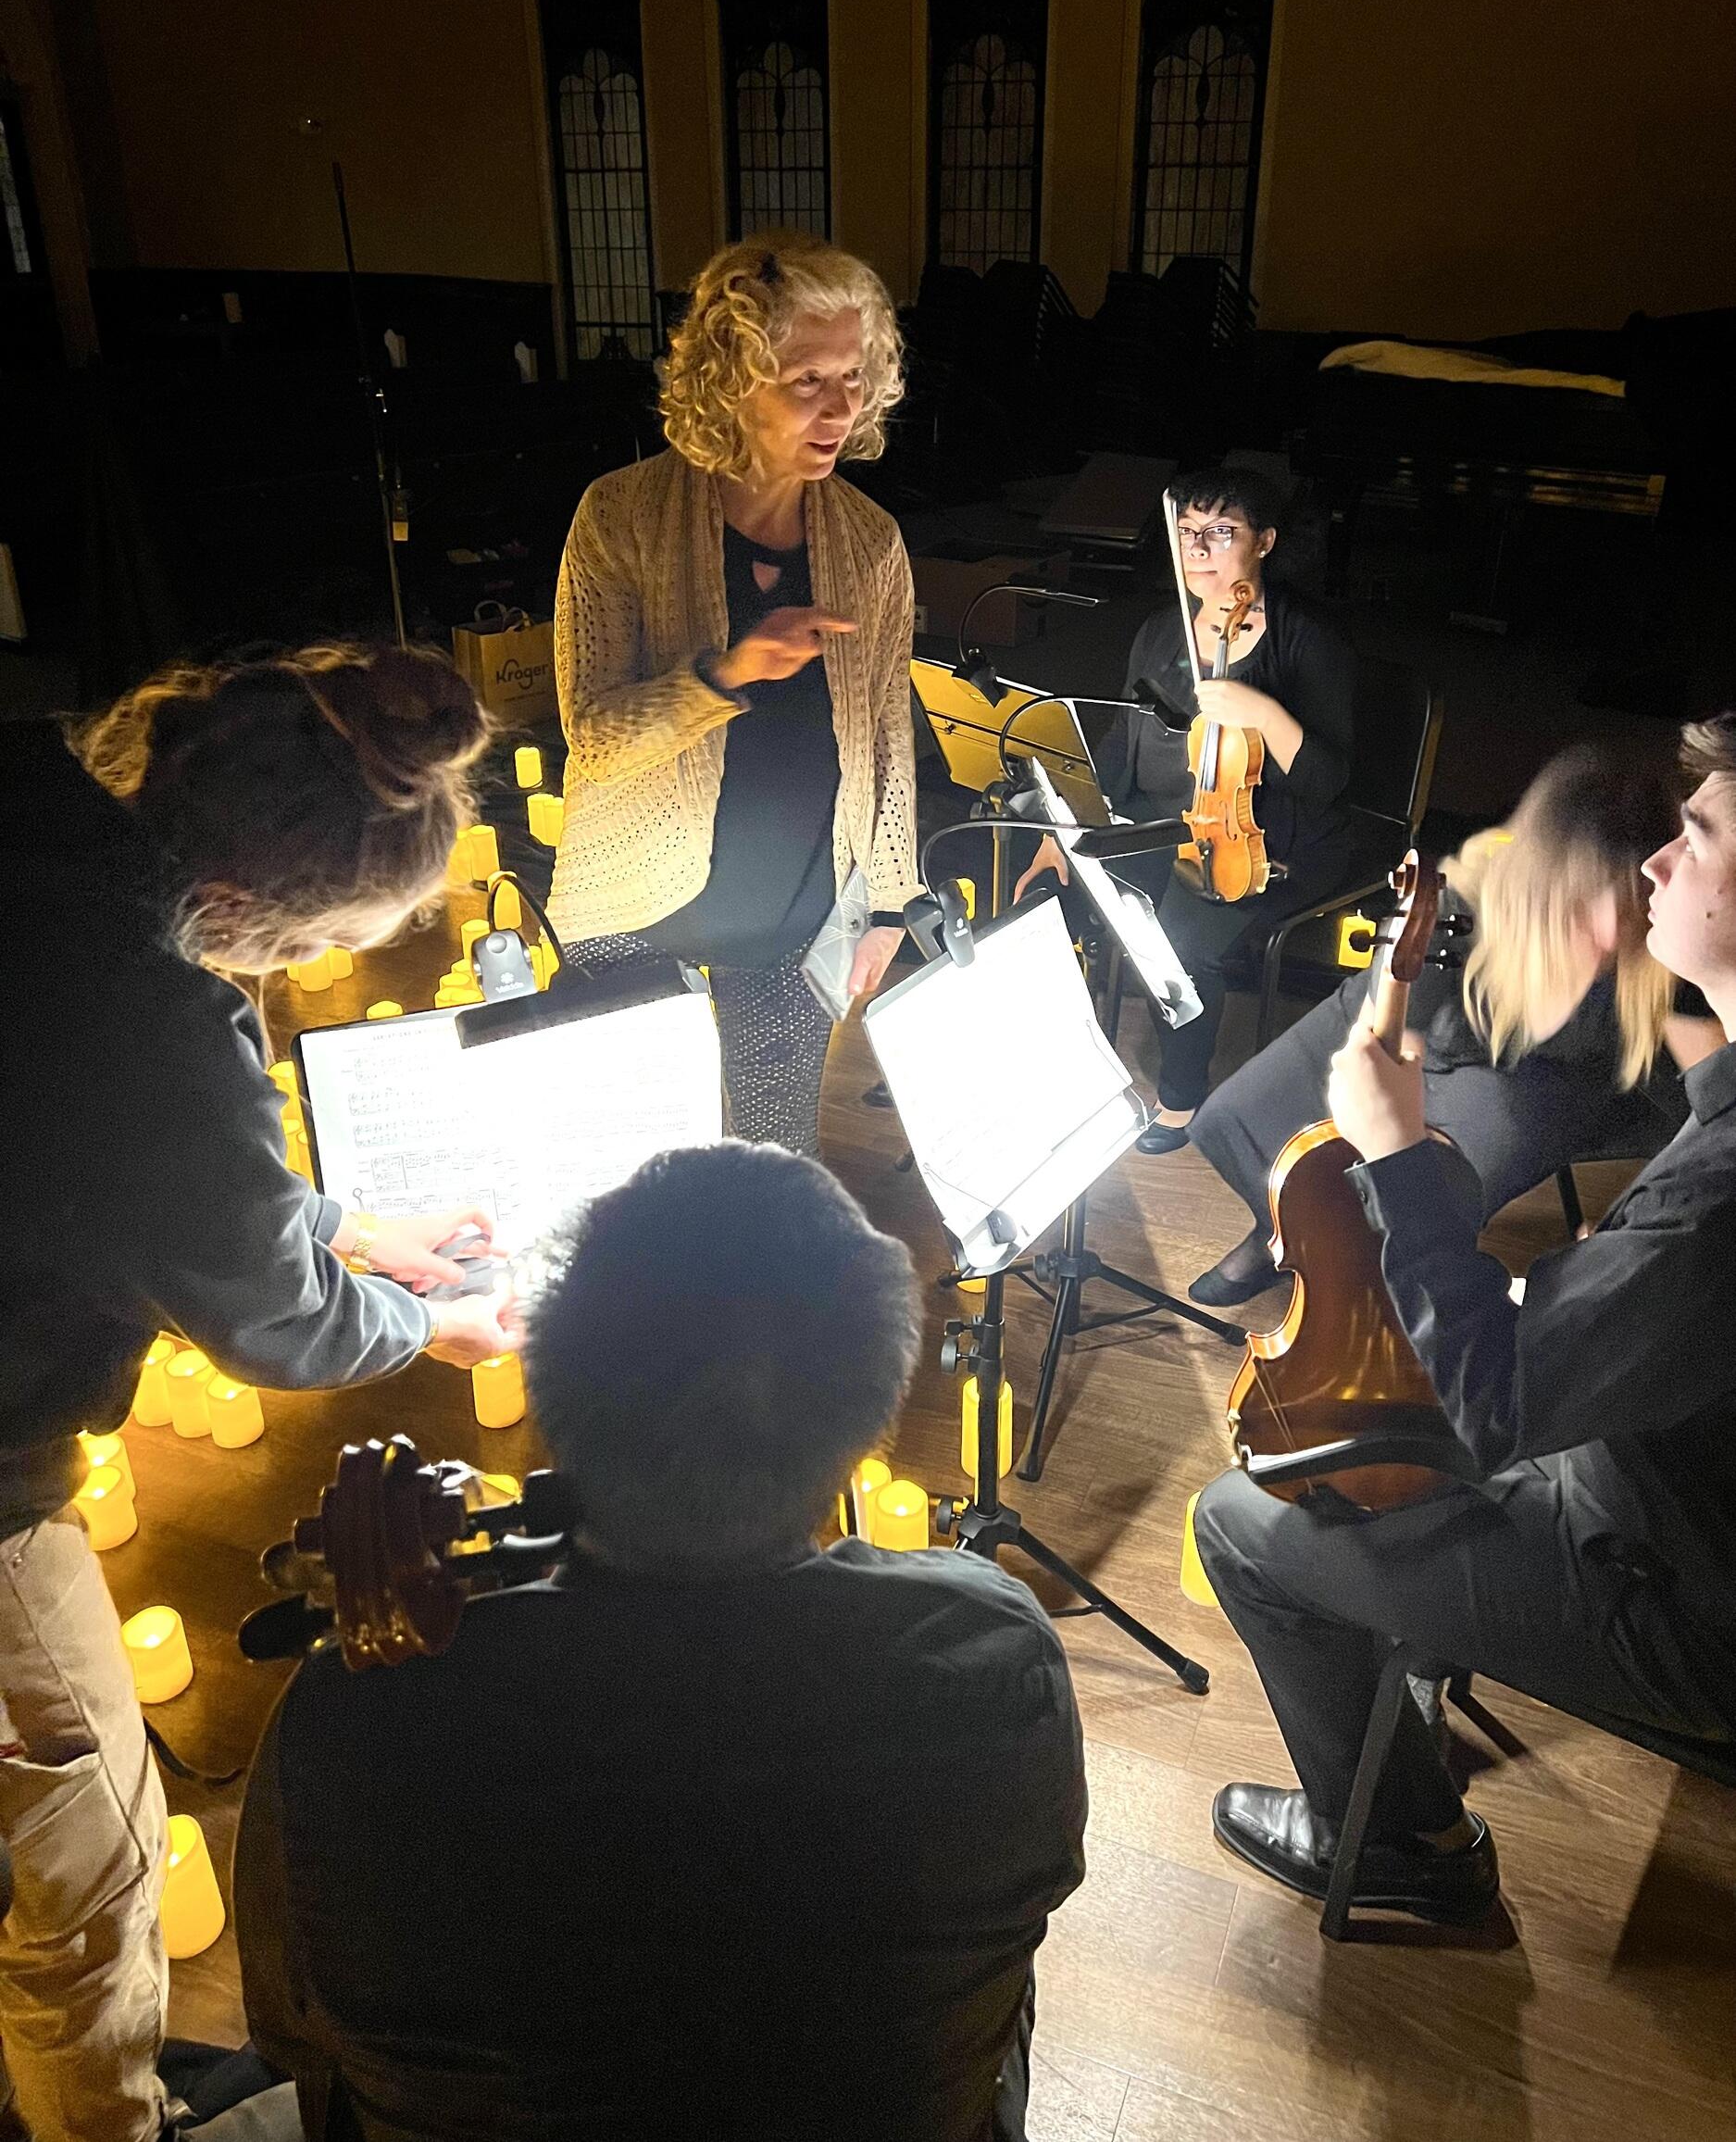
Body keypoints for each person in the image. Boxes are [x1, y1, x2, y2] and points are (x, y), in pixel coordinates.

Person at [236, 1142, 1087, 2142]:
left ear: (547, 1383)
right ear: (867, 1417)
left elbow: (290, 2036)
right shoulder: (996, 1659)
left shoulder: (353, 1719)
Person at [0, 643, 521, 2142]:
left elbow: (128, 1167)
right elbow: (275, 1322)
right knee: (85, 1854)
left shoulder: (31, 784)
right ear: (242, 910)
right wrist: (424, 1320)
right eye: (305, 957)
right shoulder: (148, 1010)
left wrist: (352, 1228)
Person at [1193, 712, 1736, 1927]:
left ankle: (1408, 1848)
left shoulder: (1718, 1196)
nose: (1658, 860)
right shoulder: (1717, 1099)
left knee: (1239, 1521)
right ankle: (1416, 1639)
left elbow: (1494, 1407)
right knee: (1377, 1447)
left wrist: (1396, 1154)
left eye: (1698, 837)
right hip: (1646, 1473)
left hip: (1678, 1591)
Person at [547, 233, 920, 1158]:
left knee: (775, 1161)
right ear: (729, 381)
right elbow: (595, 737)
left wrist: (890, 903)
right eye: (806, 380)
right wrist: (727, 672)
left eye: (854, 376)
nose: (841, 408)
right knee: (635, 1163)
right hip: (634, 908)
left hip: (792, 916)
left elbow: (886, 735)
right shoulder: (619, 517)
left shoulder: (871, 542)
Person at [1186, 745, 1724, 1304]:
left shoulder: (1670, 945)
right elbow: (1392, 1036)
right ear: (1539, 880)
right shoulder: (1469, 896)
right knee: (1251, 1114)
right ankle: (1276, 1237)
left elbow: (1714, 1115)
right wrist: (1378, 1114)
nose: (1611, 929)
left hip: (1543, 1079)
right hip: (1422, 1025)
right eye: (1586, 899)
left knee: (1439, 1189)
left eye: (1629, 900)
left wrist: (1633, 1216)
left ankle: (1367, 1282)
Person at [1016, 470, 1355, 1144]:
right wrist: (1065, 829)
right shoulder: (1160, 631)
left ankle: (1182, 1094)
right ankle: (1055, 1061)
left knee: (1180, 943)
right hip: (1160, 820)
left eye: (1220, 532)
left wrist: (1263, 712)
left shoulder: (1308, 640)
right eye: (1186, 532)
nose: (1197, 549)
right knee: (1043, 901)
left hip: (1263, 836)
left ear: (1264, 542)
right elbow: (1122, 742)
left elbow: (1327, 780)